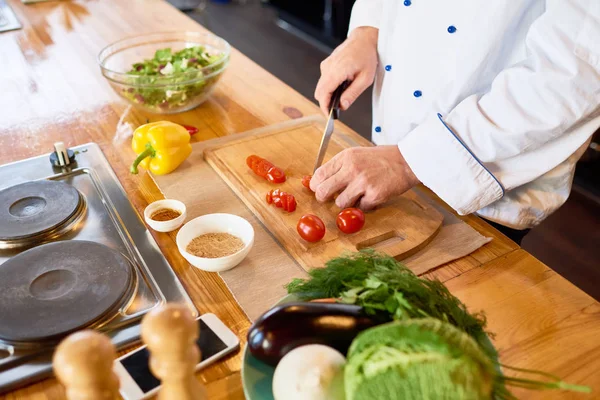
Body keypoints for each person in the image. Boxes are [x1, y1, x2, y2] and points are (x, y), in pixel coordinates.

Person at [311, 0, 600, 245]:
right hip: (390, 154)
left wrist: (410, 161)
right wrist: (367, 30)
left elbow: (574, 74)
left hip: (485, 174)